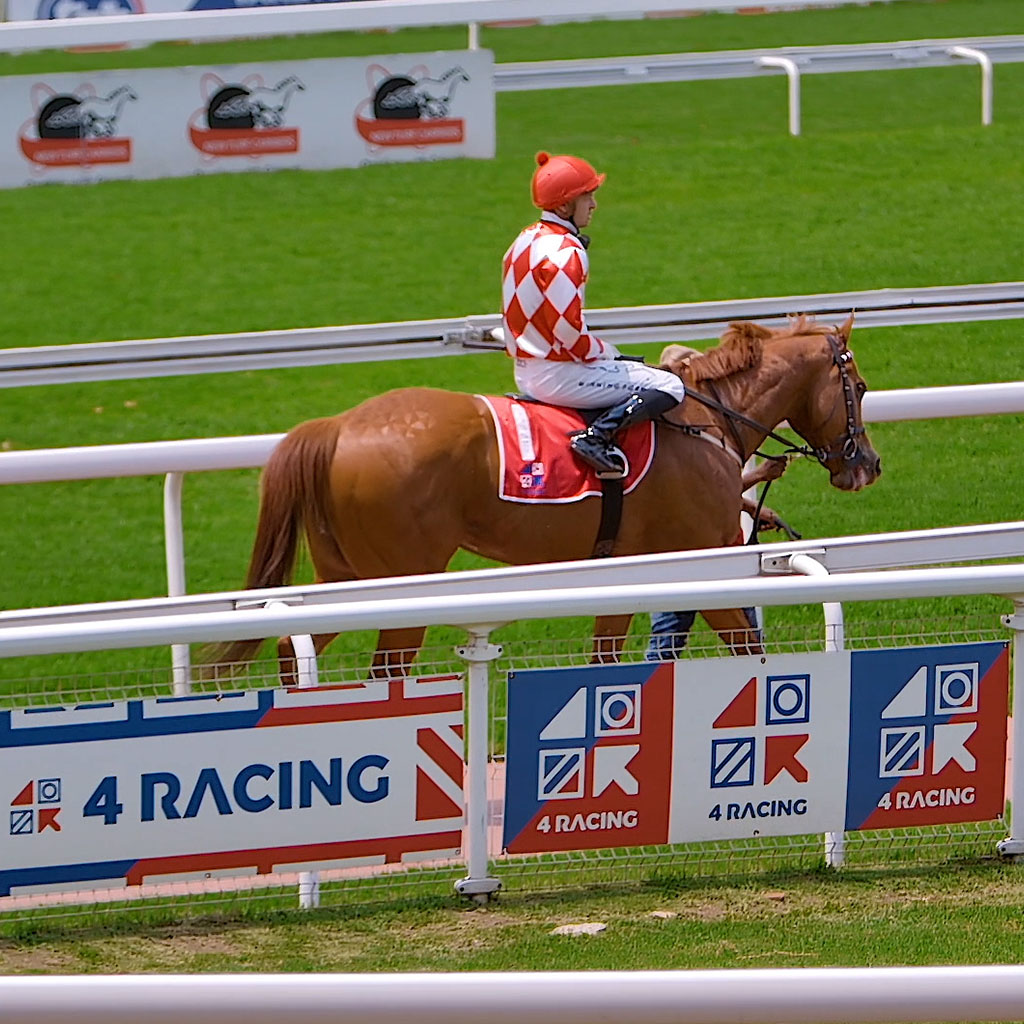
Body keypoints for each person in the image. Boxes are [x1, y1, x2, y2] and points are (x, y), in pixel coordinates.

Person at [502, 151, 688, 477]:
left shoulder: (524, 239)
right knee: (670, 385)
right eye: (586, 196)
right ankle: (595, 437)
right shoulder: (566, 251)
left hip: (528, 368)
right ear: (564, 207)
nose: (593, 204)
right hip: (557, 374)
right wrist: (606, 351)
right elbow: (568, 332)